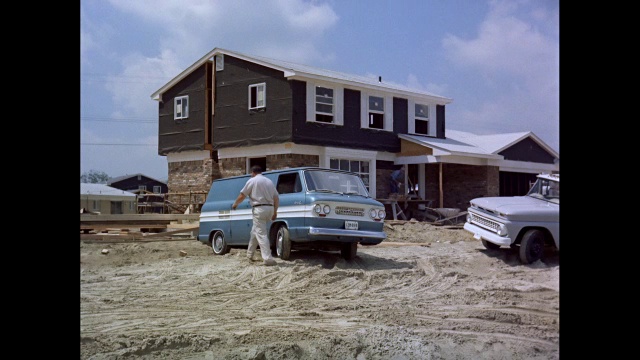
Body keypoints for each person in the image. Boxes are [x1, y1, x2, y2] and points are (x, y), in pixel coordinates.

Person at [231, 165, 280, 266]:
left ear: (253, 172)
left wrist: (235, 204)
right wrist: (275, 212)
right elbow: (276, 198)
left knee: (261, 233)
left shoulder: (252, 181)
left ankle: (268, 258)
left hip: (259, 209)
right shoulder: (269, 182)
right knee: (255, 231)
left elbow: (242, 195)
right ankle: (250, 254)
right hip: (270, 208)